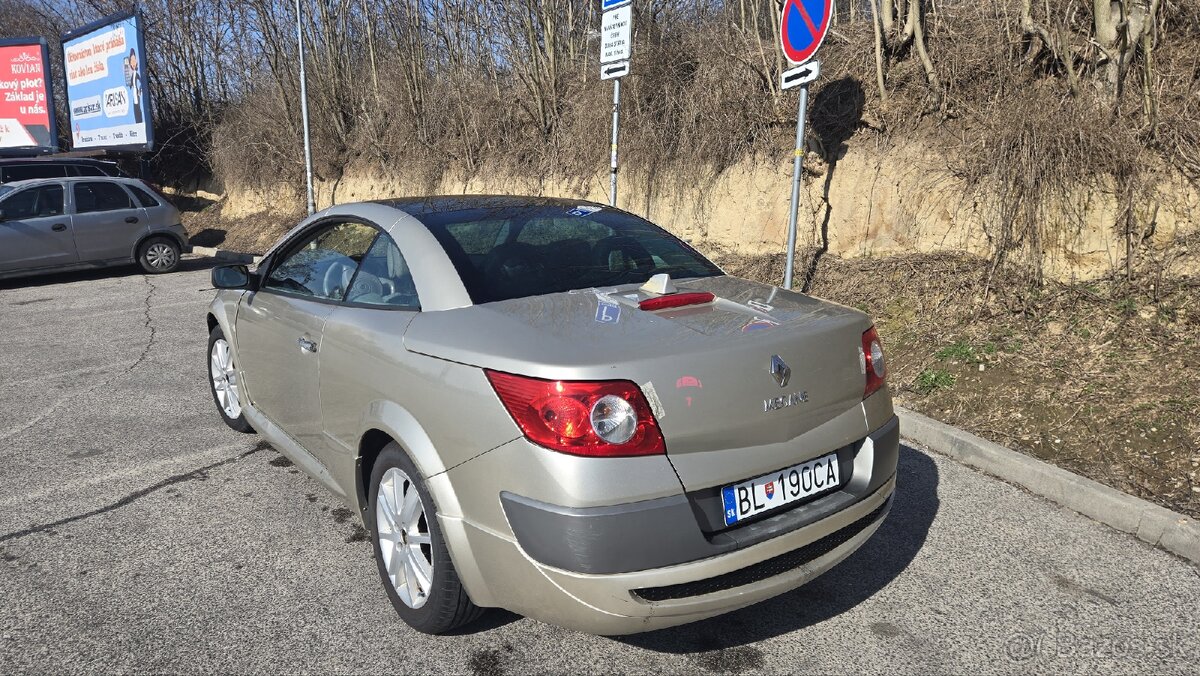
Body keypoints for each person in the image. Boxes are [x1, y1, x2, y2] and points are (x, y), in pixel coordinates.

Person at [128, 49, 143, 124]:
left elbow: (141, 82)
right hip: (134, 96)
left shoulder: (137, 73)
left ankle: (140, 122)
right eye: (131, 61)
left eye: (134, 60)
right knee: (135, 110)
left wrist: (140, 91)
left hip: (137, 95)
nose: (133, 63)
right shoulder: (132, 74)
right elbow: (131, 84)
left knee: (138, 109)